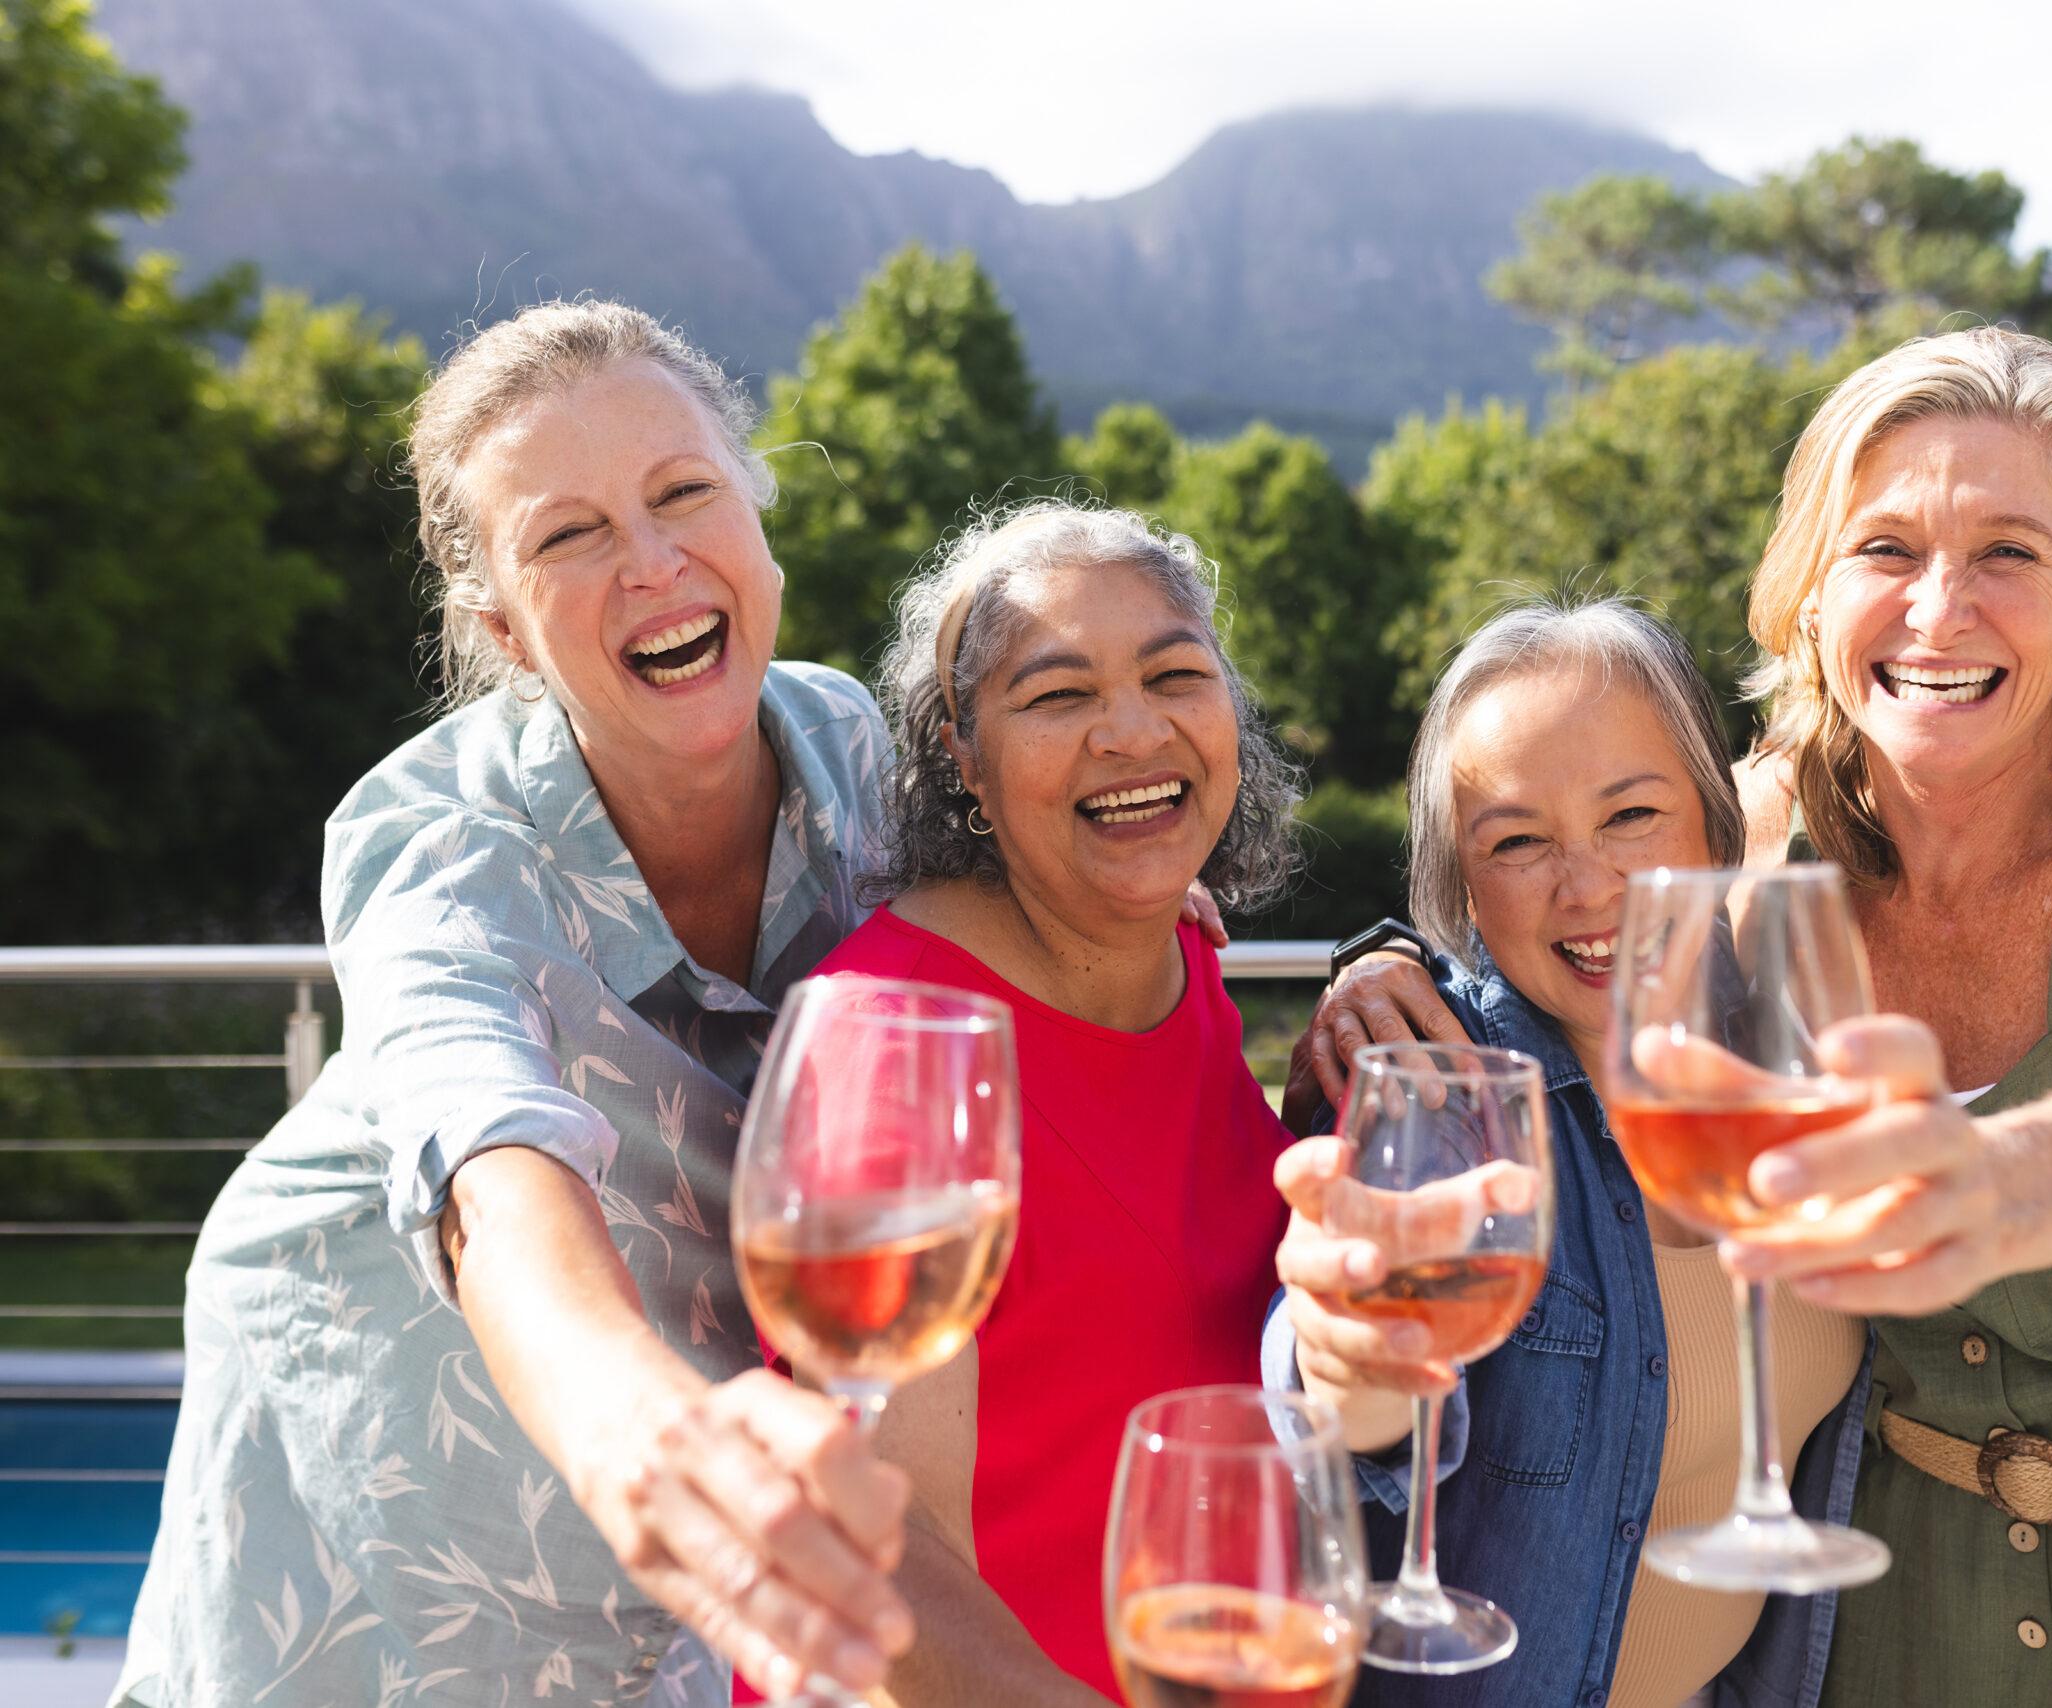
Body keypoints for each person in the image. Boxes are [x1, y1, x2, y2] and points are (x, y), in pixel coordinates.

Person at [1307, 328, 2052, 1708]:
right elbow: (1561, 885)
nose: (1940, 611)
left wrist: (2002, 1183)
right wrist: (1376, 963)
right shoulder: (1750, 835)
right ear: (1808, 593)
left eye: (2008, 551)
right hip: (1897, 1574)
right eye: (1884, 549)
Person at [113, 301, 916, 1708]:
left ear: (759, 515)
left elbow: (1052, 890)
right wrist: (630, 1429)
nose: (653, 564)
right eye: (568, 536)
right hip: (384, 1412)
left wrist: (1370, 969)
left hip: (679, 1506)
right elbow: (484, 1140)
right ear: (500, 622)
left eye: (683, 494)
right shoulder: (430, 837)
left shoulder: (859, 749)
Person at [1269, 599, 1874, 1708]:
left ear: (1712, 820)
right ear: (1460, 883)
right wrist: (1342, 1361)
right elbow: (1340, 1403)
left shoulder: (1798, 1053)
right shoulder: (1429, 1084)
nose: (1584, 884)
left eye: (1630, 815)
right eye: (1516, 840)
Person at [808, 500, 1303, 1704]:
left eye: (1174, 673)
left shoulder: (1178, 965)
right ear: (963, 762)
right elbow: (880, 1535)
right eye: (1056, 694)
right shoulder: (895, 1043)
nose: (1131, 730)